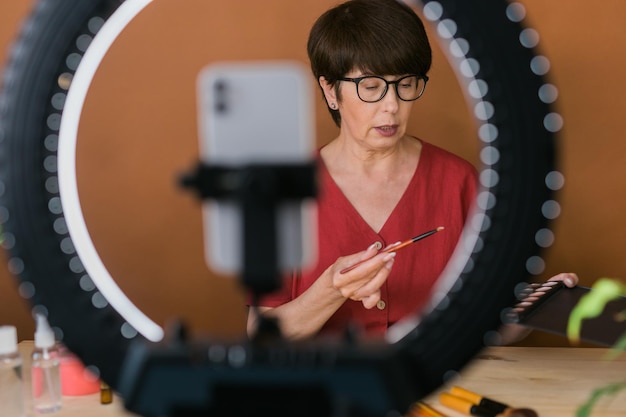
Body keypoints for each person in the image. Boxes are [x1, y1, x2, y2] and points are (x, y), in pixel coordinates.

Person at [247, 0, 577, 342]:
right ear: (331, 90)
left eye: (405, 84)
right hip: (325, 391)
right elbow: (262, 335)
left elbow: (484, 330)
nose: (392, 106)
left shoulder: (460, 183)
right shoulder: (284, 189)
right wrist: (332, 288)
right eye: (372, 87)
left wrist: (532, 309)